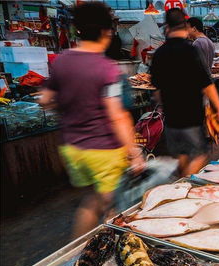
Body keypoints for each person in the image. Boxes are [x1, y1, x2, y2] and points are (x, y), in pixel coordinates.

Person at [39, 2, 144, 238]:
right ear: (107, 32)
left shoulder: (62, 60)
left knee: (92, 200)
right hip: (103, 151)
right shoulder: (106, 68)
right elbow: (117, 115)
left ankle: (78, 252)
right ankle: (101, 257)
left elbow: (45, 99)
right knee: (114, 209)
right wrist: (134, 153)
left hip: (73, 149)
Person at [150, 8, 219, 177]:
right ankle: (183, 183)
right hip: (191, 115)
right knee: (201, 154)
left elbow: (156, 91)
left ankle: (181, 182)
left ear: (167, 28)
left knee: (181, 155)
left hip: (170, 117)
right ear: (184, 26)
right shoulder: (190, 50)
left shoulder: (159, 53)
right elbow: (206, 83)